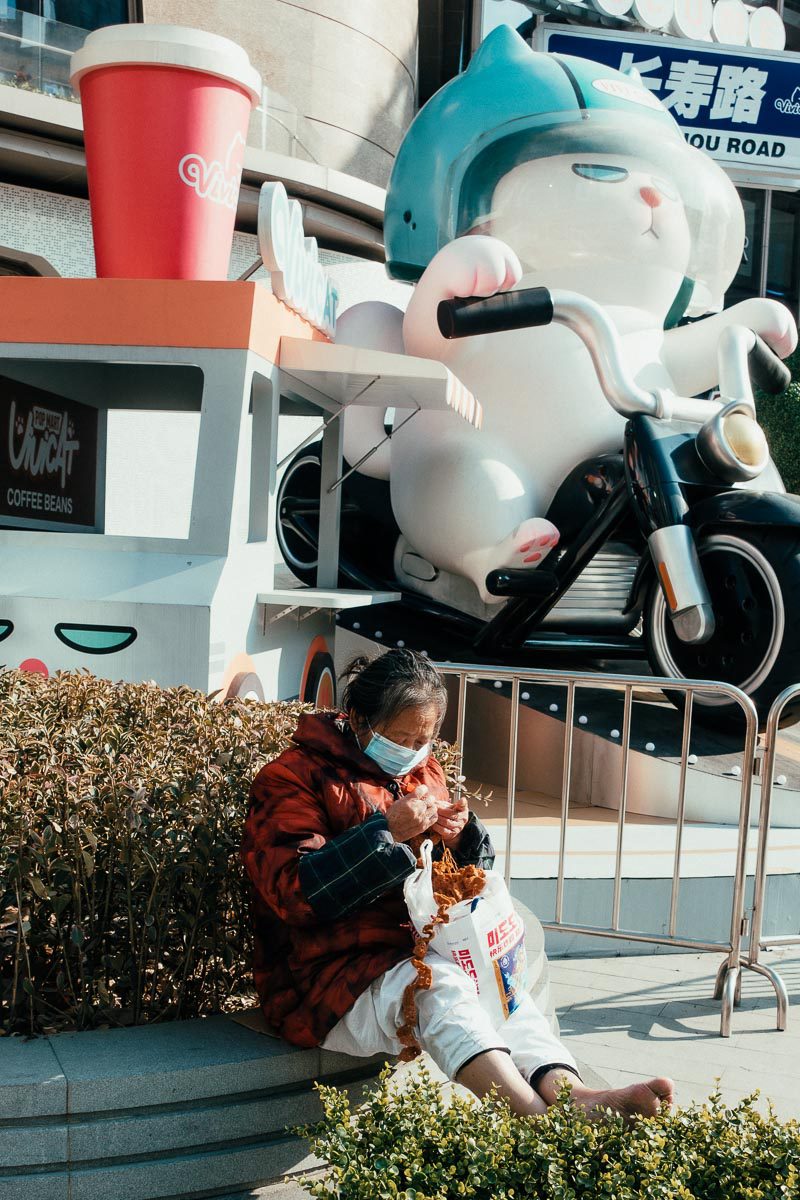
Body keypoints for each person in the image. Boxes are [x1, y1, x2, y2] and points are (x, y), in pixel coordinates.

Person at [241, 648, 673, 1119]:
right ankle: (538, 1120)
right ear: (358, 719)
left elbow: (454, 879)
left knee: (502, 984)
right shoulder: (292, 777)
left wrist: (464, 838)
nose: (409, 750)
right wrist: (387, 833)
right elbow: (295, 893)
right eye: (399, 736)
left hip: (419, 949)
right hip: (326, 979)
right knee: (440, 986)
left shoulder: (422, 771)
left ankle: (576, 1096)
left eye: (422, 739)